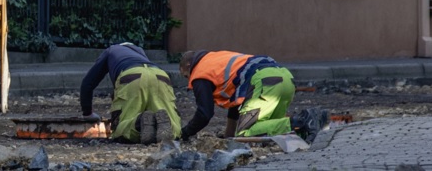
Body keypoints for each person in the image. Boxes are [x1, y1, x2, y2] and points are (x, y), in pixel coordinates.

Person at [178, 50, 325, 142]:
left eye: (186, 76)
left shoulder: (200, 73)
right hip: (285, 79)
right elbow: (236, 104)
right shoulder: (216, 60)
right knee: (268, 132)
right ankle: (310, 127)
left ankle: (302, 120)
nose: (189, 81)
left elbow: (204, 114)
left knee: (245, 133)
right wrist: (229, 136)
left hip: (264, 82)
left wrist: (184, 134)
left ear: (189, 65)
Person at [80, 42, 182, 144]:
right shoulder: (140, 52)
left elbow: (87, 84)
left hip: (131, 76)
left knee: (121, 129)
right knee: (170, 117)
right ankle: (172, 130)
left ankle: (138, 123)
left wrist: (87, 113)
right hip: (160, 75)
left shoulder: (111, 50)